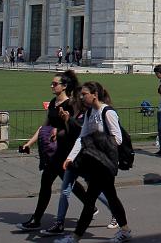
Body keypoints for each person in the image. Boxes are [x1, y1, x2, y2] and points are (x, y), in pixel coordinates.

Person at [58, 81, 132, 243]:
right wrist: (70, 157)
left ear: (94, 95)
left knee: (91, 199)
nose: (81, 97)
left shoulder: (108, 112)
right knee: (110, 198)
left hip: (106, 162)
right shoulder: (90, 113)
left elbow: (117, 138)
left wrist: (96, 141)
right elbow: (81, 137)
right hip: (97, 162)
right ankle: (125, 230)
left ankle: (75, 237)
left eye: (84, 94)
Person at [17, 71, 89, 233]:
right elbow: (45, 127)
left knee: (60, 184)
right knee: (58, 183)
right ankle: (38, 219)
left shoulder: (72, 104)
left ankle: (39, 220)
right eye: (52, 83)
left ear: (64, 86)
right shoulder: (52, 102)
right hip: (53, 150)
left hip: (65, 149)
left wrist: (61, 127)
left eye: (55, 84)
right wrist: (29, 143)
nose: (52, 86)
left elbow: (73, 127)